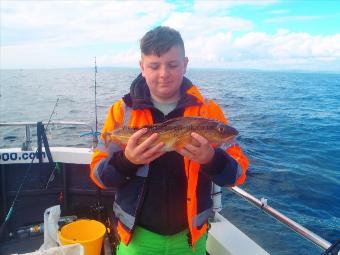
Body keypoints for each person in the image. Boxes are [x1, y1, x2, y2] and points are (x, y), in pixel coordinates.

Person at [90, 26, 248, 255]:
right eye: (154, 65)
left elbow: (236, 174)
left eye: (172, 65)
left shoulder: (209, 112)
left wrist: (211, 159)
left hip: (189, 239)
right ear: (142, 67)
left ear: (185, 64)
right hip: (136, 239)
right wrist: (127, 160)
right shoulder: (120, 112)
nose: (164, 73)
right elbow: (99, 175)